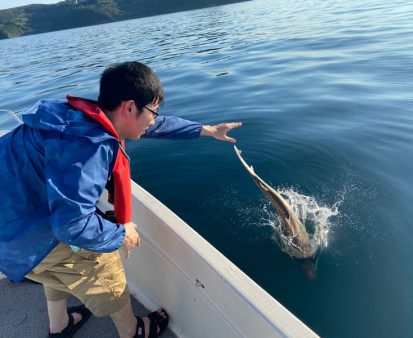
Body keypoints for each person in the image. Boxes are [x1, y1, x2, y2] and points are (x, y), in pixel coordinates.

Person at [0, 61, 242, 338]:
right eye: (153, 110)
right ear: (129, 107)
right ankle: (132, 331)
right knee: (103, 265)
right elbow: (72, 226)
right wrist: (120, 234)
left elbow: (153, 125)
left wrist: (207, 130)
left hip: (12, 225)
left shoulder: (74, 118)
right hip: (25, 237)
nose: (154, 118)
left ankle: (60, 325)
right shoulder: (88, 149)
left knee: (59, 264)